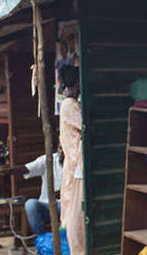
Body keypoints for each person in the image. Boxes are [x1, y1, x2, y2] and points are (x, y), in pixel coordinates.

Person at [0, 152, 63, 236]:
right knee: (30, 204)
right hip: (47, 204)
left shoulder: (78, 161)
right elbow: (27, 168)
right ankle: (41, 238)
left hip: (69, 206)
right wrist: (8, 171)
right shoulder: (49, 159)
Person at [58, 65, 85, 255]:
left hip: (75, 167)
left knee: (77, 216)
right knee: (77, 219)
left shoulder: (68, 104)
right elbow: (86, 124)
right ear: (76, 84)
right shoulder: (70, 105)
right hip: (77, 167)